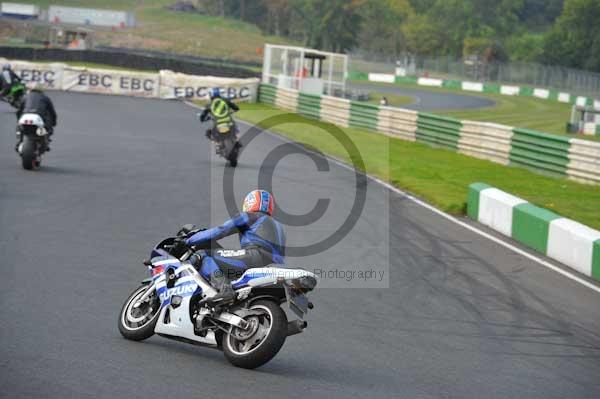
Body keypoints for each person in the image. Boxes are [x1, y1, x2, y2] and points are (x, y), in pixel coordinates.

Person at [184, 190, 285, 307]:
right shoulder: (278, 226)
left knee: (202, 256)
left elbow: (220, 230)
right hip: (274, 265)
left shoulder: (250, 216)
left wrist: (189, 240)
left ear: (250, 202)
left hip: (255, 256)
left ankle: (225, 290)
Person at [17, 84, 57, 149]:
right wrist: (54, 122)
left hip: (26, 116)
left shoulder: (25, 96)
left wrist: (18, 120)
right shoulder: (45, 98)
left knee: (19, 128)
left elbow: (19, 110)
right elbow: (52, 112)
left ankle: (19, 142)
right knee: (47, 128)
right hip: (38, 117)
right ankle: (45, 140)